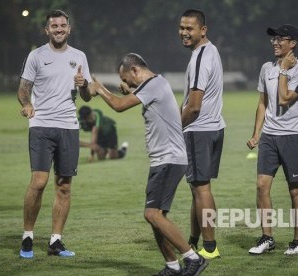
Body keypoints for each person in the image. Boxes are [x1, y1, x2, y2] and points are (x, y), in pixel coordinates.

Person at [89, 53, 208, 275]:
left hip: (169, 159)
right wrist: (133, 90)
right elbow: (136, 98)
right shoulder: (156, 84)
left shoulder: (154, 84)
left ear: (135, 70)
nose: (127, 84)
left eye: (127, 79)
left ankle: (193, 257)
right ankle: (172, 266)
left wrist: (99, 88)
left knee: (152, 214)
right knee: (155, 216)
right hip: (163, 160)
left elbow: (119, 106)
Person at [17, 10, 92, 259]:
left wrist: (84, 86)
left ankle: (55, 242)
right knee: (39, 182)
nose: (59, 29)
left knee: (64, 186)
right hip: (41, 125)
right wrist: (26, 105)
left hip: (68, 126)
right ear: (46, 30)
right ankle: (28, 236)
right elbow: (23, 90)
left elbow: (87, 96)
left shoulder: (79, 56)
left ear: (69, 29)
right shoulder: (36, 55)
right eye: (54, 26)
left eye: (63, 25)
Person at [246, 24, 298, 255]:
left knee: (295, 190)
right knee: (261, 186)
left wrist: (284, 70)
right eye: (273, 39)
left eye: (280, 39)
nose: (274, 43)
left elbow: (284, 99)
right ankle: (267, 238)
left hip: (292, 136)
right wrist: (256, 133)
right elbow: (263, 102)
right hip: (269, 137)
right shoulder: (266, 68)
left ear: (292, 43)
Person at [179, 9, 225, 259]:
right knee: (199, 188)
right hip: (214, 127)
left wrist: (175, 128)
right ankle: (195, 240)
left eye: (190, 29)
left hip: (199, 129)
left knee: (201, 188)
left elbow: (194, 105)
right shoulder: (212, 51)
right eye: (182, 28)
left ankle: (209, 248)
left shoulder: (200, 57)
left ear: (203, 30)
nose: (184, 33)